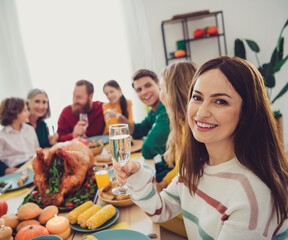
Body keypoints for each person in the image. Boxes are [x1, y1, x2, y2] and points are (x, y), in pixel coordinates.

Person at [114, 56, 288, 239]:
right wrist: (136, 174)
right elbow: (160, 210)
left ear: (247, 112)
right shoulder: (194, 165)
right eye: (197, 97)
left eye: (220, 101)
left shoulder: (253, 194)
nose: (201, 112)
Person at [115, 69, 171, 182]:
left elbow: (148, 149)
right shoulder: (154, 111)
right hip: (165, 164)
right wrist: (121, 118)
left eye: (148, 85)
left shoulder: (165, 110)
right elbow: (139, 130)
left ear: (158, 84)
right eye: (139, 90)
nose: (144, 92)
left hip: (174, 171)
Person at [156, 61, 197, 192]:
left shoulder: (193, 130)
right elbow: (181, 167)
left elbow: (185, 173)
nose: (160, 95)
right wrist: (164, 182)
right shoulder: (180, 122)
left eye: (162, 88)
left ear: (175, 92)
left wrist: (164, 184)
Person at [0, 97, 39, 176]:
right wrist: (4, 171)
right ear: (13, 112)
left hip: (33, 166)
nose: (29, 113)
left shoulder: (30, 129)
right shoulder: (0, 137)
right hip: (16, 173)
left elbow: (37, 149)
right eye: (25, 110)